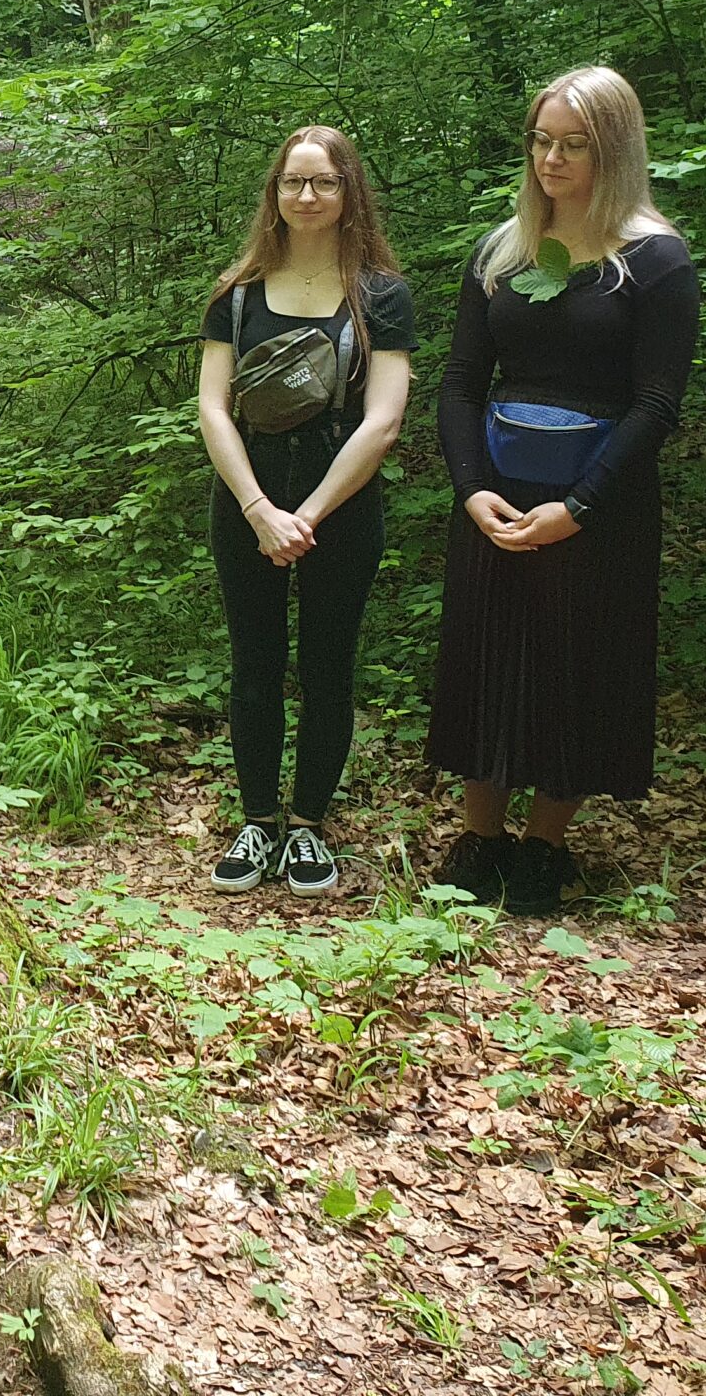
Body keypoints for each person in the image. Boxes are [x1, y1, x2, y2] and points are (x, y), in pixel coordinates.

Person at [427, 65, 700, 916]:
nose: (551, 159)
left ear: (614, 150)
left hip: (600, 503)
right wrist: (471, 490)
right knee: (486, 659)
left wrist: (581, 508)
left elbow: (657, 403)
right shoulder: (503, 251)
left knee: (576, 665)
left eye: (574, 145)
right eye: (542, 140)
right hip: (498, 493)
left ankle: (546, 845)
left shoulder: (655, 261)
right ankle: (480, 838)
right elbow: (461, 382)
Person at [197, 125, 415, 895]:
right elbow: (213, 408)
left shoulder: (380, 297)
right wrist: (260, 509)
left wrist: (310, 515)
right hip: (247, 494)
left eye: (324, 182)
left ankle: (308, 828)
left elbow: (383, 420)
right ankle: (258, 821)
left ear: (349, 192)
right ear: (275, 193)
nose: (308, 195)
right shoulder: (238, 293)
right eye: (294, 182)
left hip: (342, 503)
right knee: (254, 664)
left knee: (328, 667)